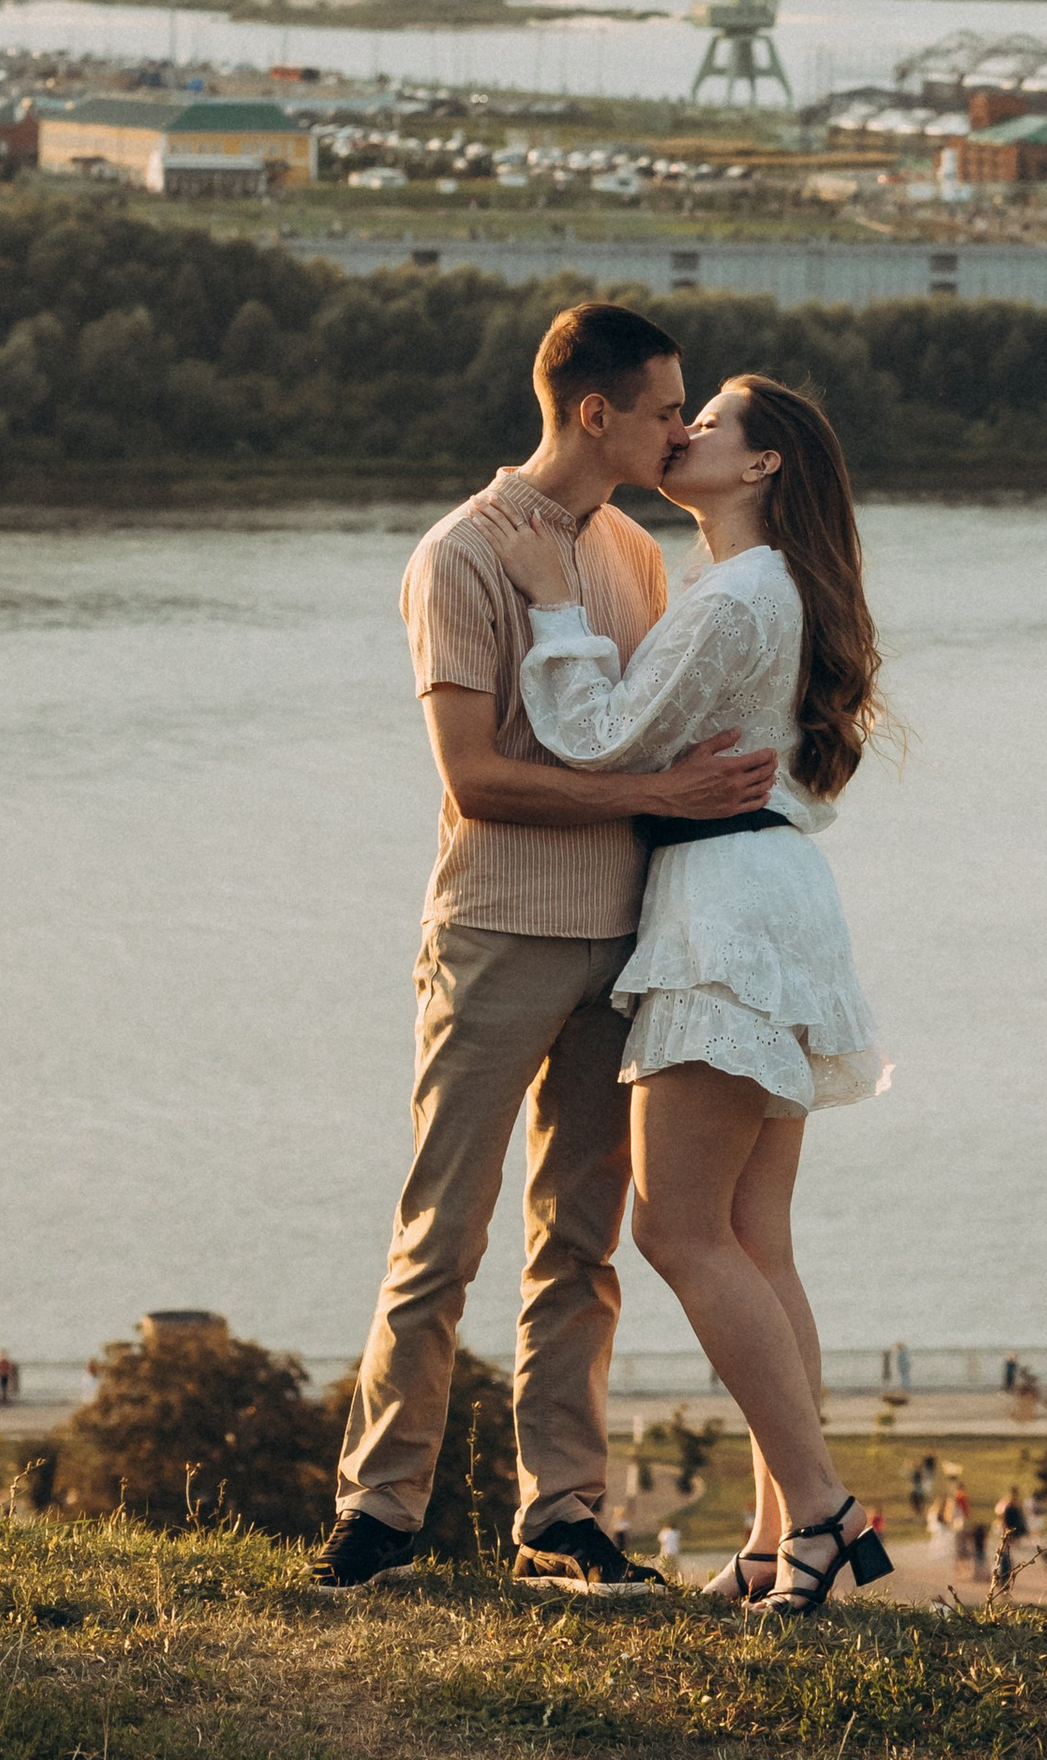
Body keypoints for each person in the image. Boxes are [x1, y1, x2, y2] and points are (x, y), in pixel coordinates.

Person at [312, 304, 779, 1593]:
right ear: (595, 413)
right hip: (497, 933)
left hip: (625, 942)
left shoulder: (634, 553)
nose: (681, 429)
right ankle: (380, 1514)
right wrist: (658, 798)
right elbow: (476, 778)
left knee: (581, 1242)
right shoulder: (458, 556)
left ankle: (560, 1516)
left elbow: (630, 732)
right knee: (440, 1236)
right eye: (664, 408)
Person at [486, 372, 888, 1614]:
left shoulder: (734, 596)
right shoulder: (775, 592)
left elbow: (598, 741)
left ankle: (819, 1513)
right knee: (754, 1238)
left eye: (708, 421)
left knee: (675, 1228)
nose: (684, 430)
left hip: (720, 904)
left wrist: (556, 607)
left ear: (762, 467)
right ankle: (777, 1543)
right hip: (775, 894)